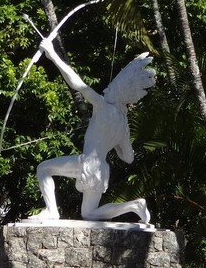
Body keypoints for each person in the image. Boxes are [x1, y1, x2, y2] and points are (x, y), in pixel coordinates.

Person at [31, 37, 155, 223]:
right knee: (89, 214)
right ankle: (133, 206)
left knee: (43, 169)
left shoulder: (103, 106)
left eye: (112, 86)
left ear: (119, 90)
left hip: (87, 162)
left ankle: (51, 211)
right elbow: (128, 158)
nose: (108, 88)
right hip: (101, 169)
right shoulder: (123, 125)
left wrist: (52, 55)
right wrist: (117, 142)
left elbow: (78, 84)